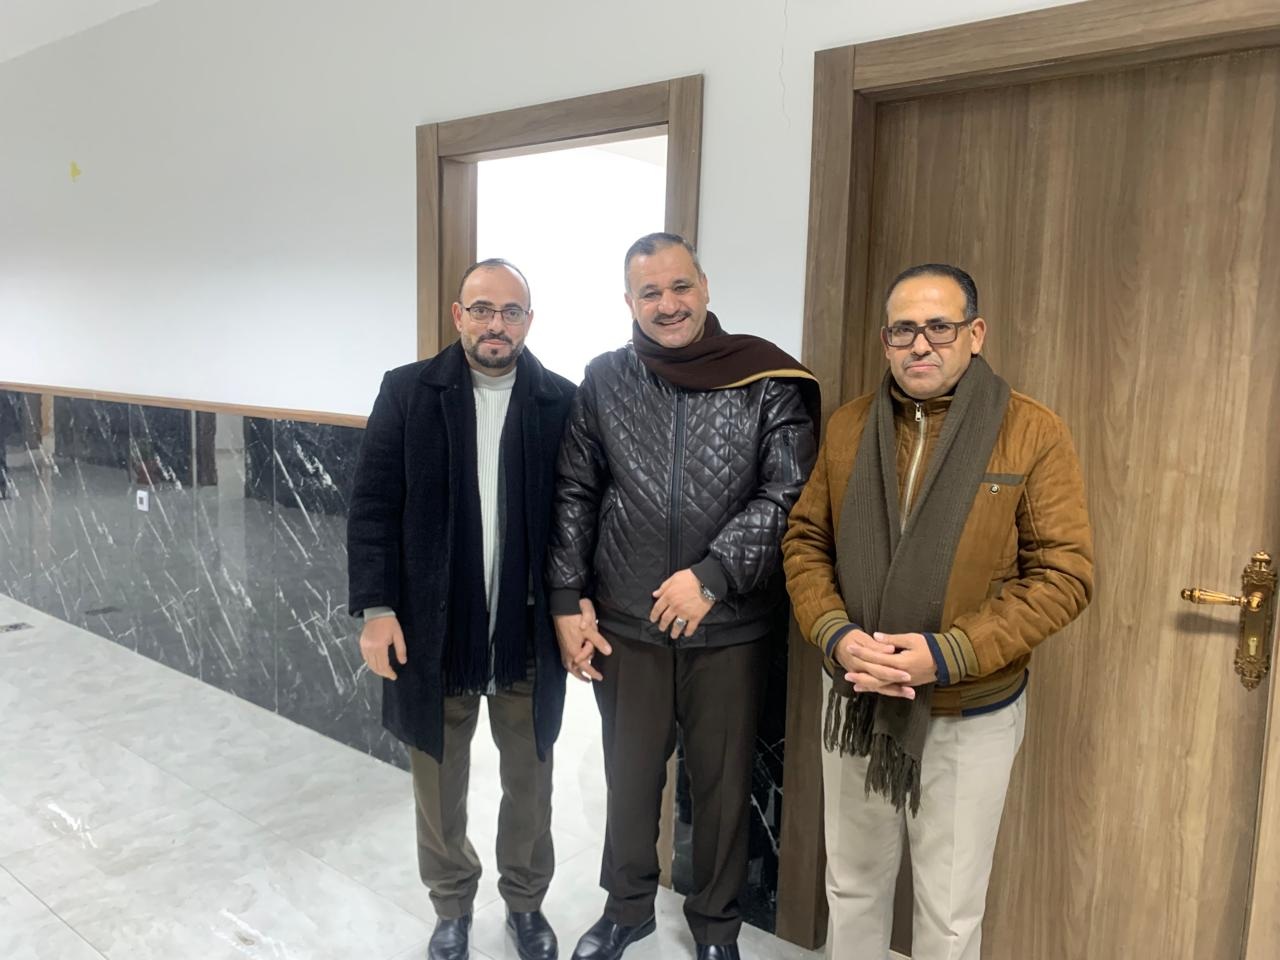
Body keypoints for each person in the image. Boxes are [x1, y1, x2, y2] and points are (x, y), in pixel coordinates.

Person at [782, 263, 1094, 959]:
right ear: (886, 341)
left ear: (975, 334)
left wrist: (946, 655)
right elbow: (806, 542)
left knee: (949, 914)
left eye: (940, 327)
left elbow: (1063, 576)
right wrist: (835, 634)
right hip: (856, 696)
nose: (920, 344)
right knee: (852, 889)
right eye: (903, 330)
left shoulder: (1031, 431)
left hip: (966, 710)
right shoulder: (849, 427)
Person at [548, 232, 819, 960]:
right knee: (630, 778)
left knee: (723, 787)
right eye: (650, 293)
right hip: (627, 623)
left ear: (705, 287)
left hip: (728, 624)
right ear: (629, 301)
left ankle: (716, 927)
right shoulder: (605, 379)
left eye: (679, 287)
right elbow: (576, 490)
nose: (667, 305)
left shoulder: (766, 378)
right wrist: (567, 597)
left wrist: (711, 575)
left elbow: (789, 491)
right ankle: (627, 908)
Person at [348, 258, 575, 960]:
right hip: (434, 630)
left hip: (525, 632)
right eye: (481, 309)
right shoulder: (408, 392)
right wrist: (377, 608)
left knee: (529, 779)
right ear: (457, 316)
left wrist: (576, 608)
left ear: (529, 321)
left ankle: (526, 902)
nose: (495, 324)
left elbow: (579, 518)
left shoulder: (561, 402)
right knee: (438, 781)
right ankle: (451, 905)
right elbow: (372, 506)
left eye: (510, 311)